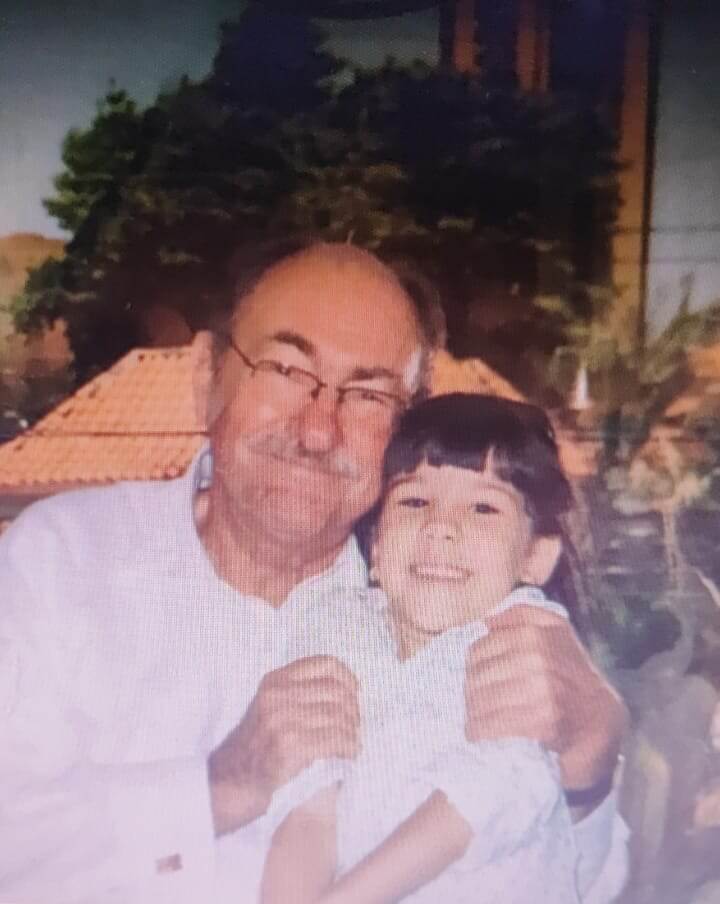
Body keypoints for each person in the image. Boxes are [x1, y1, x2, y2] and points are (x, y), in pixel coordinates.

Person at [0, 240, 627, 904]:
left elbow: (589, 883)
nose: (319, 430)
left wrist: (585, 766)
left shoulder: (449, 595)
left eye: (369, 394)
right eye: (284, 369)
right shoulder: (67, 556)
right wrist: (218, 789)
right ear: (206, 378)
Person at [259, 393, 603, 904]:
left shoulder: (525, 642)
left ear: (535, 556)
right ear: (375, 546)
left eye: (483, 507)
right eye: (415, 501)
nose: (441, 525)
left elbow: (478, 801)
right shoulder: (337, 630)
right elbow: (309, 809)